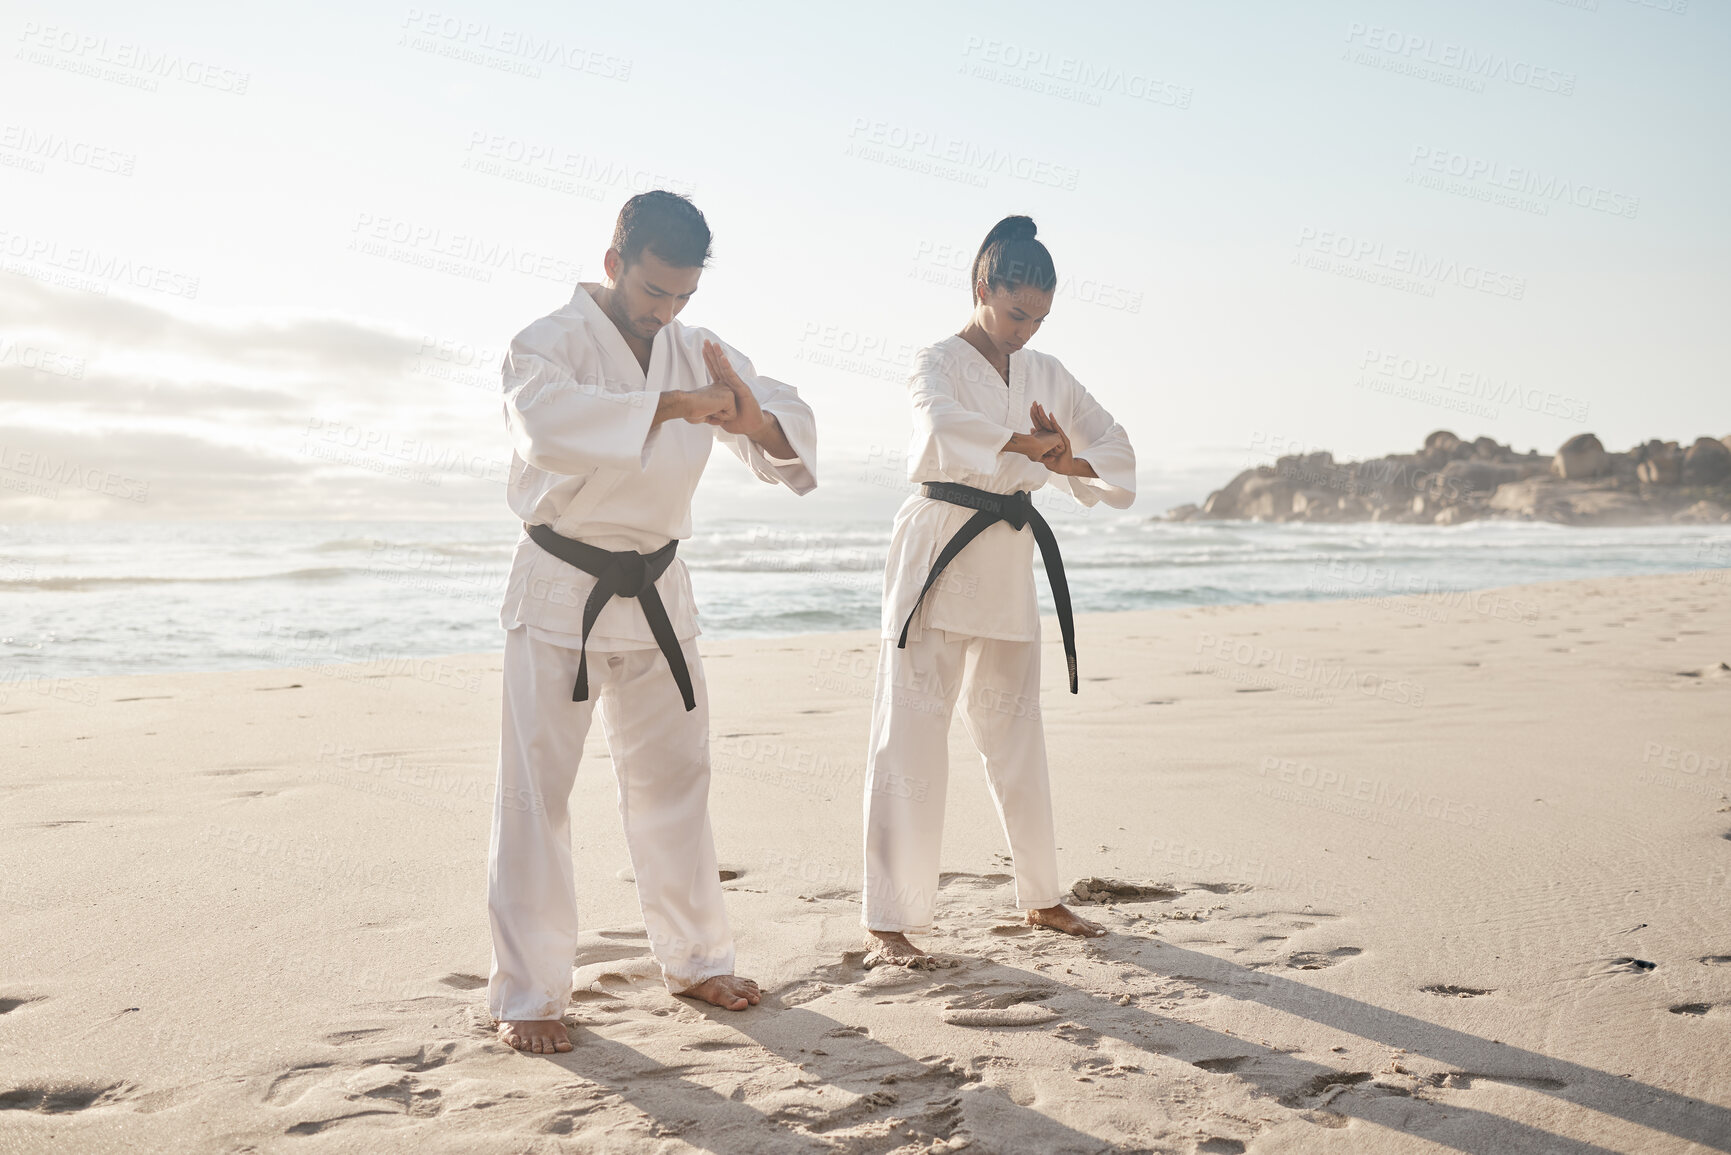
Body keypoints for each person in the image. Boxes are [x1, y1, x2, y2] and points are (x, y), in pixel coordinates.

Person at [489, 191, 817, 1052]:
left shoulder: (694, 347)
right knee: (535, 798)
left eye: (682, 296)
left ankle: (697, 958)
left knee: (676, 784)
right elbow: (545, 429)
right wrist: (673, 405)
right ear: (613, 264)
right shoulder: (543, 344)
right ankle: (529, 993)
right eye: (653, 293)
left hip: (660, 589)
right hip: (564, 584)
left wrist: (752, 418)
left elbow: (776, 415)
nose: (666, 312)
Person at [862, 215, 1136, 965]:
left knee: (1015, 729)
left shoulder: (1046, 372)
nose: (1025, 330)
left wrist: (1064, 452)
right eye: (1016, 312)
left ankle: (1042, 895)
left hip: (1009, 551)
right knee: (911, 730)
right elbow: (944, 425)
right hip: (938, 543)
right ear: (982, 287)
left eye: (1039, 318)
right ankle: (889, 916)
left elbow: (1113, 447)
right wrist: (1025, 444)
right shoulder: (937, 361)